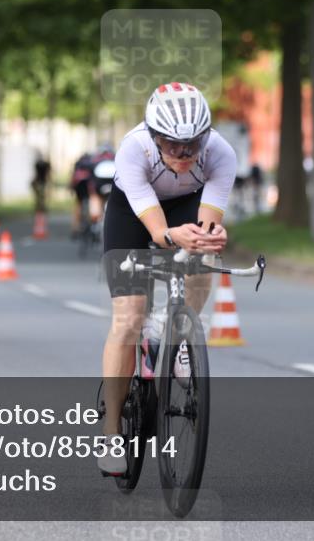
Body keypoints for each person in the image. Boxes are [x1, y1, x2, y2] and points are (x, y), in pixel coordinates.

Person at [97, 83, 235, 476]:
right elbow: (158, 232)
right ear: (154, 137)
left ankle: (178, 336)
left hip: (185, 204)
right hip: (133, 214)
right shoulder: (132, 149)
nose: (183, 154)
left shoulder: (221, 153)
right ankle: (111, 434)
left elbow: (208, 220)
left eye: (192, 144)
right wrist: (173, 237)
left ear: (205, 137)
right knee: (128, 317)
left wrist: (210, 236)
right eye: (172, 145)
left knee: (203, 252)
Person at [69, 151, 95, 236]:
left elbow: (73, 177)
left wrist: (71, 188)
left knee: (78, 205)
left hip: (79, 186)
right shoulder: (92, 163)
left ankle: (75, 228)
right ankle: (91, 225)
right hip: (88, 185)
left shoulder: (78, 164)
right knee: (92, 202)